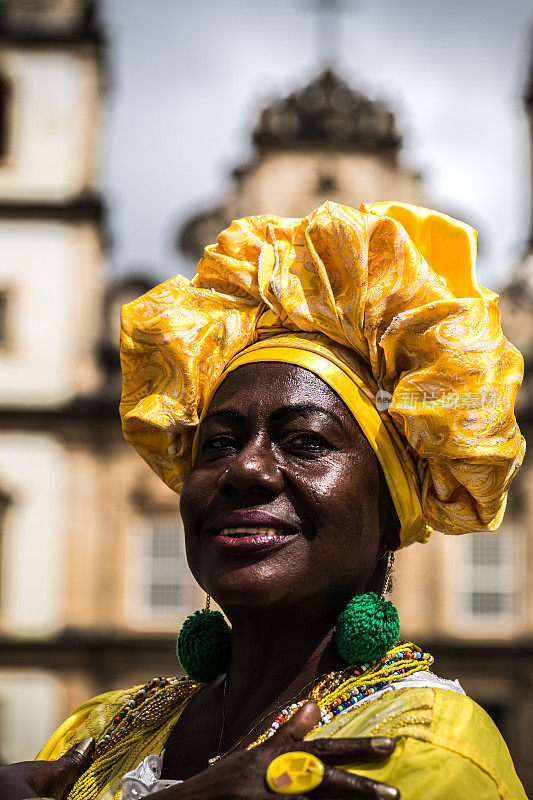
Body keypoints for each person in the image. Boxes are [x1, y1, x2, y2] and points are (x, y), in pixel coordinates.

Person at [2, 201, 527, 800]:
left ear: (392, 505)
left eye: (305, 441)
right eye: (218, 442)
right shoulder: (102, 728)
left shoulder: (427, 743)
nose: (244, 468)